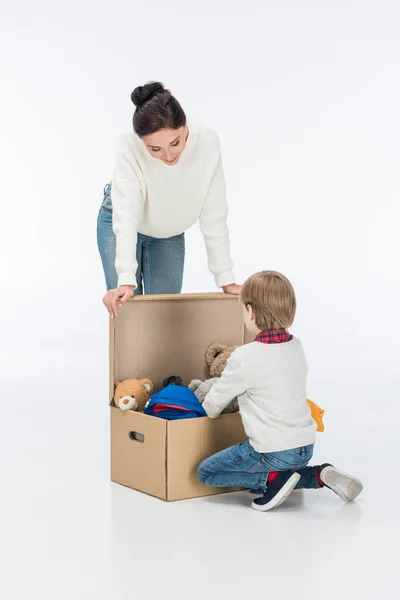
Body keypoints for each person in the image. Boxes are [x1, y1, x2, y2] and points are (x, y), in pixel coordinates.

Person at [198, 271, 363, 512]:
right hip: (305, 446)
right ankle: (317, 475)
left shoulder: (245, 356)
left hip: (272, 451)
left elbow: (215, 402)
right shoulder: (296, 347)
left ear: (251, 311)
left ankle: (273, 480)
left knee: (207, 472)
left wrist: (202, 412)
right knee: (286, 463)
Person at [97, 81, 241, 317]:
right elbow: (126, 217)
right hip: (120, 221)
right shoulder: (128, 145)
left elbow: (214, 215)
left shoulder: (207, 141)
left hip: (168, 230)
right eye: (155, 149)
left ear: (185, 127)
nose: (168, 155)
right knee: (127, 313)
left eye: (175, 142)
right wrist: (125, 279)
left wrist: (225, 277)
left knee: (163, 319)